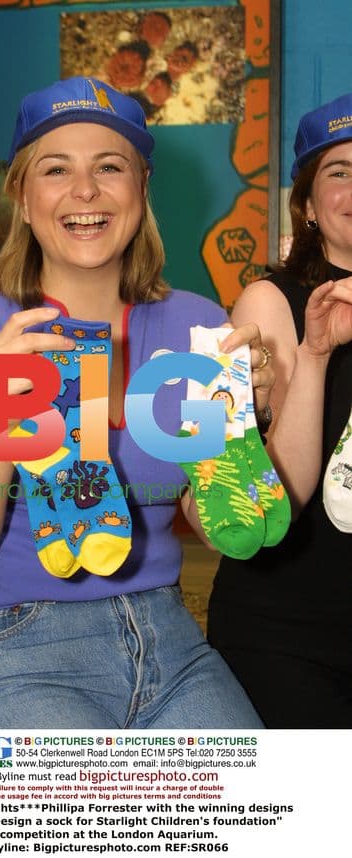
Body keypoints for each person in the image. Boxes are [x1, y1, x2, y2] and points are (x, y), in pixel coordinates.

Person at [0, 76, 272, 729]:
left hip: (169, 634)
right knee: (77, 832)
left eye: (110, 166)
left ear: (139, 189)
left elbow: (214, 519)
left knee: (254, 823)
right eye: (56, 169)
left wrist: (241, 428)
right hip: (15, 643)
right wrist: (6, 418)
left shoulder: (195, 323)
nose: (85, 190)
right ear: (21, 198)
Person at [208, 92, 352, 728]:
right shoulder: (269, 304)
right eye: (339, 171)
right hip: (286, 630)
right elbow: (262, 498)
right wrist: (315, 355)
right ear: (309, 204)